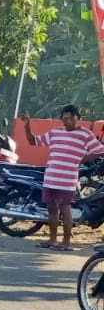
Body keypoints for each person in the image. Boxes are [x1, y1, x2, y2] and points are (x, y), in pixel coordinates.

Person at [22, 105, 104, 252]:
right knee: (51, 209)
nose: (67, 122)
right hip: (51, 177)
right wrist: (27, 126)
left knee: (65, 209)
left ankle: (66, 242)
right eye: (64, 119)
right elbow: (33, 141)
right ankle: (52, 240)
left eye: (71, 119)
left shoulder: (85, 135)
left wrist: (82, 159)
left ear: (78, 118)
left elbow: (100, 150)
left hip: (67, 180)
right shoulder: (55, 133)